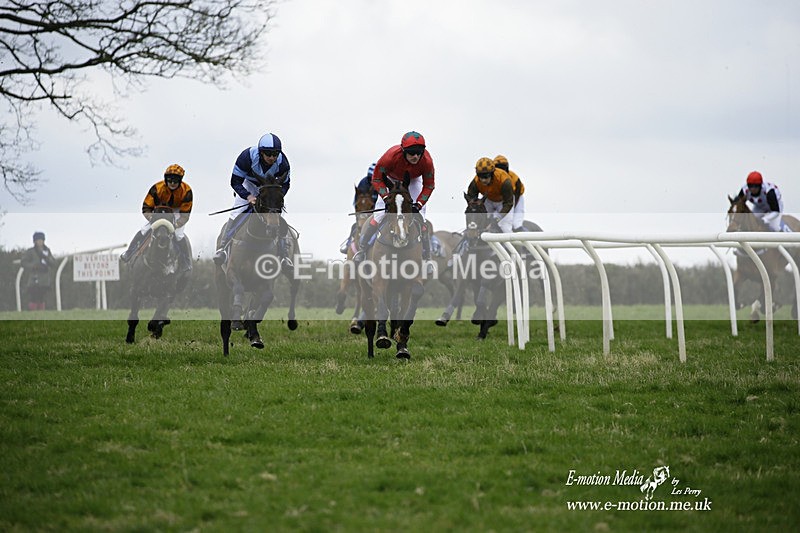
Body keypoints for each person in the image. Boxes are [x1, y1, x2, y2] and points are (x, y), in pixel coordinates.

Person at [353, 131, 435, 263]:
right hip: (390, 178)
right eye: (412, 153)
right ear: (403, 151)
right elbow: (376, 178)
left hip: (413, 180)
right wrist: (386, 198)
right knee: (378, 216)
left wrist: (418, 205)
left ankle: (427, 257)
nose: (415, 156)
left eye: (419, 153)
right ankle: (362, 250)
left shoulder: (427, 161)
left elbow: (429, 185)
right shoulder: (390, 156)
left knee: (420, 217)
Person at [213, 132, 293, 267]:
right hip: (248, 185)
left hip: (270, 189)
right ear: (261, 153)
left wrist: (276, 199)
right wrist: (248, 196)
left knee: (278, 216)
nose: (272, 158)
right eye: (269, 154)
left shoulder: (283, 163)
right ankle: (223, 248)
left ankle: (283, 253)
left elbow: (285, 184)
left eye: (275, 154)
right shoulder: (246, 158)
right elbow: (235, 181)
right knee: (236, 213)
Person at [120, 164, 193, 270]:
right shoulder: (157, 188)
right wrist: (151, 218)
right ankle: (129, 252)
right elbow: (146, 207)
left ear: (180, 181)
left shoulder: (187, 191)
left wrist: (177, 224)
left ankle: (186, 261)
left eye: (175, 181)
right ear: (166, 179)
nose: (172, 183)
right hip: (159, 210)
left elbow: (185, 214)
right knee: (144, 229)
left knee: (179, 235)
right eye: (170, 180)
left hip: (177, 212)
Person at [466, 157, 515, 233]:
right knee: (479, 223)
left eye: (486, 176)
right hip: (488, 200)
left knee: (505, 227)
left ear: (492, 173)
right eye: (480, 176)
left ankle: (510, 243)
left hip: (504, 202)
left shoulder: (504, 181)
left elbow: (508, 203)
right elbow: (471, 199)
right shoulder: (475, 181)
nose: (483, 180)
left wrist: (498, 218)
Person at [340, 163, 378, 254]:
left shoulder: (381, 183)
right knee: (354, 226)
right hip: (365, 209)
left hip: (377, 210)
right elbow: (358, 201)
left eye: (374, 179)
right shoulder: (363, 183)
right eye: (370, 179)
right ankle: (348, 243)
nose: (372, 181)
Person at [21, 231, 57, 310]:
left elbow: (53, 262)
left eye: (41, 240)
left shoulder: (47, 250)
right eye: (38, 240)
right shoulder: (30, 251)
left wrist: (47, 258)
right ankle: (32, 313)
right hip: (34, 278)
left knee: (42, 298)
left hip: (44, 279)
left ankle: (41, 314)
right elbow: (23, 262)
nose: (40, 242)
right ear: (34, 241)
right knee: (33, 297)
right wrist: (33, 266)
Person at [493, 154, 527, 231]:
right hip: (501, 200)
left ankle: (526, 235)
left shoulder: (514, 177)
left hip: (517, 198)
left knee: (516, 224)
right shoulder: (492, 179)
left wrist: (510, 209)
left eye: (503, 168)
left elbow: (516, 195)